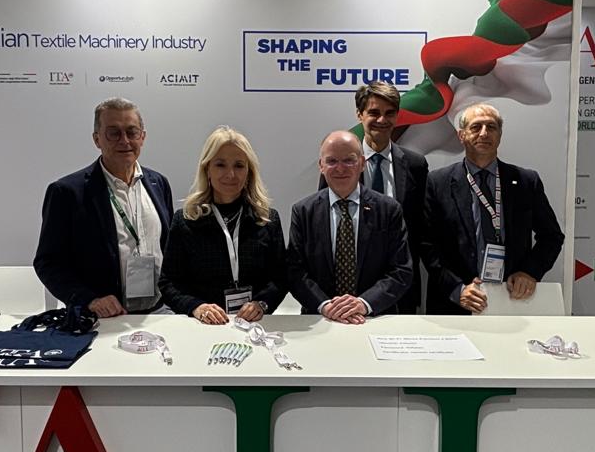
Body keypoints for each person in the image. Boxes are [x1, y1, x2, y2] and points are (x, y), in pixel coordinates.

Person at [34, 98, 173, 317]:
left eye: (132, 132)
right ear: (97, 139)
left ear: (142, 137)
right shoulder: (67, 192)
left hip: (159, 312)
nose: (124, 140)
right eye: (113, 133)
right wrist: (89, 300)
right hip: (103, 318)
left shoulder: (159, 183)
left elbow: (170, 250)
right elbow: (48, 263)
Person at [421, 103, 565, 315]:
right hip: (455, 303)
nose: (484, 133)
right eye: (475, 127)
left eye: (491, 127)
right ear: (461, 135)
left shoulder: (526, 181)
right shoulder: (438, 182)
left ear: (500, 135)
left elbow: (551, 236)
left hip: (511, 299)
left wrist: (529, 272)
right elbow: (426, 244)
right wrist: (456, 289)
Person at [160, 127, 287, 325]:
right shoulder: (185, 220)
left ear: (249, 172)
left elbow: (281, 277)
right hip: (202, 327)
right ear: (207, 169)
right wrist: (196, 307)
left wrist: (262, 303)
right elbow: (169, 283)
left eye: (239, 165)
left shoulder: (267, 219)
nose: (230, 174)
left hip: (255, 326)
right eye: (220, 165)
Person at [287, 129, 412, 323]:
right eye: (332, 161)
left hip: (374, 318)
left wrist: (364, 303)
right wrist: (325, 306)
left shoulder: (389, 210)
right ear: (321, 166)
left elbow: (401, 270)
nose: (340, 168)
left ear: (362, 163)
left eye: (348, 160)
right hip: (320, 319)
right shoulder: (303, 212)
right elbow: (295, 271)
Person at [351, 80, 427, 313]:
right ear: (359, 114)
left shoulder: (415, 165)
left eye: (390, 113)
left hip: (401, 286)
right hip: (352, 285)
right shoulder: (341, 164)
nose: (382, 120)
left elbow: (421, 227)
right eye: (374, 113)